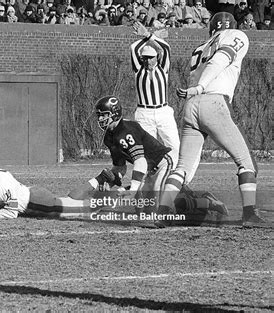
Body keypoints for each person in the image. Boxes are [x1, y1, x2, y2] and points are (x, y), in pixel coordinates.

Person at [156, 12, 270, 228]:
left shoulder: (201, 47)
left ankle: (162, 212)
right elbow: (221, 58)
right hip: (212, 101)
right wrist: (201, 86)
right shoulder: (236, 35)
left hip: (191, 106)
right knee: (247, 163)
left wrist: (196, 89)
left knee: (182, 167)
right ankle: (249, 215)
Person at [89, 96, 227, 223]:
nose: (100, 119)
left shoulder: (128, 130)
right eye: (99, 116)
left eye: (104, 115)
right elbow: (120, 167)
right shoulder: (109, 137)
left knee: (158, 206)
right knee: (144, 208)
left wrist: (133, 189)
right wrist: (112, 180)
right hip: (149, 170)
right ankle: (204, 202)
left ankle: (206, 202)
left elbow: (140, 161)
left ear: (115, 113)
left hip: (163, 162)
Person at [0, 154, 101, 219]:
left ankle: (108, 199)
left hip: (36, 201)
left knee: (76, 209)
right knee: (69, 201)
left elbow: (11, 213)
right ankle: (100, 182)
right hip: (31, 198)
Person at [130, 21, 180, 166]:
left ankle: (175, 178)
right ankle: (151, 181)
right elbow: (134, 47)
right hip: (144, 112)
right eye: (144, 57)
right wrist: (151, 36)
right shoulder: (138, 69)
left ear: (156, 57)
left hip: (163, 111)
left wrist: (148, 35)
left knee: (174, 145)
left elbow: (166, 47)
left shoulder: (163, 68)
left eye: (151, 57)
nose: (147, 60)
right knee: (147, 150)